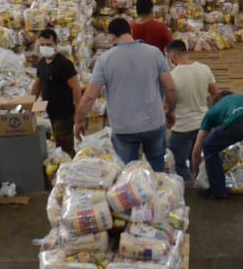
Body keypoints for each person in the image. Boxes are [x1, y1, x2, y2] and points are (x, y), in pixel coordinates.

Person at [74, 17, 177, 171]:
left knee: (128, 174)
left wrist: (79, 120)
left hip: (124, 128)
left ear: (111, 36)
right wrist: (171, 110)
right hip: (153, 123)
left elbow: (90, 96)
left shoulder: (104, 60)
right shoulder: (154, 53)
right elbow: (171, 88)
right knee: (157, 168)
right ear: (131, 32)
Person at [190, 91, 243, 203]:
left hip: (238, 121)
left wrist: (195, 172)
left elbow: (197, 147)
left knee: (208, 146)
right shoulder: (242, 97)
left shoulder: (212, 112)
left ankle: (218, 191)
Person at [166, 40, 218, 184]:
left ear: (171, 55)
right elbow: (216, 95)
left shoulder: (172, 76)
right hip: (203, 124)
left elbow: (168, 103)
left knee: (179, 164)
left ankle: (189, 190)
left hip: (181, 126)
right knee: (199, 159)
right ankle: (201, 183)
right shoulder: (204, 69)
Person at [30, 29, 81, 157]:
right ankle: (63, 167)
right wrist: (30, 103)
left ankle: (71, 167)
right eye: (42, 45)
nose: (45, 47)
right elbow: (38, 84)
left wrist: (79, 112)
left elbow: (76, 87)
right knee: (58, 144)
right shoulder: (42, 63)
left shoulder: (64, 64)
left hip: (64, 113)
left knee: (64, 146)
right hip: (51, 112)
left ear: (56, 44)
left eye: (48, 44)